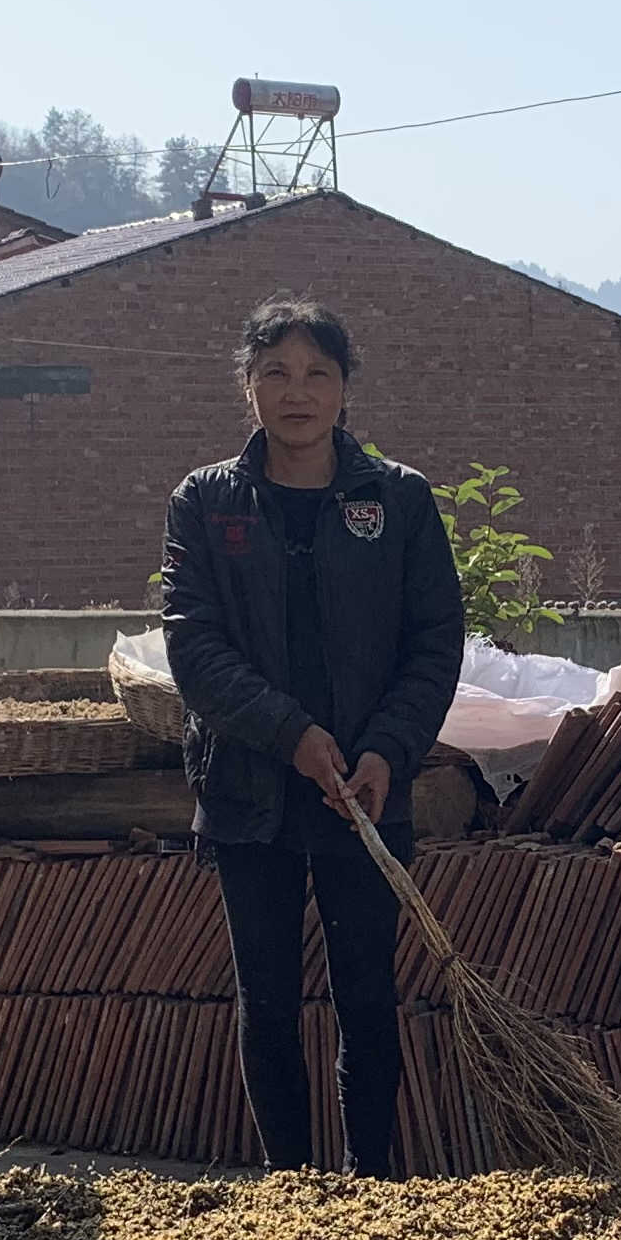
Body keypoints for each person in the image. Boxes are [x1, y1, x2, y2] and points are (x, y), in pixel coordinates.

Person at [159, 297, 466, 1177]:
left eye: (317, 373)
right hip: (250, 791)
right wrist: (289, 734)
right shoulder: (205, 501)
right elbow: (194, 643)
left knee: (369, 996)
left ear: (344, 389)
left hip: (365, 790)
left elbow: (433, 641)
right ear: (248, 389)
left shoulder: (396, 500)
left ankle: (373, 1187)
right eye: (276, 373)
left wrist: (388, 752)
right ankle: (291, 1191)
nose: (297, 392)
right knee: (268, 999)